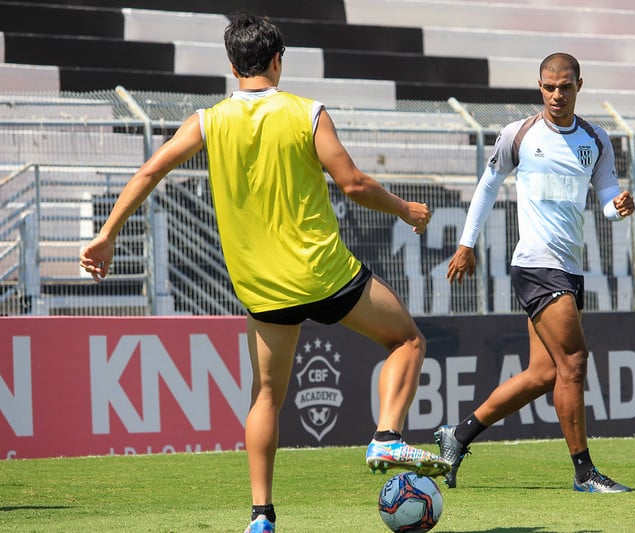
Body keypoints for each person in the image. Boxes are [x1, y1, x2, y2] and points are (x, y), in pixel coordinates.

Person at [79, 11, 449, 533]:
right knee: (407, 341)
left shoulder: (208, 121)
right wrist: (406, 210)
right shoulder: (306, 112)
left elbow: (150, 170)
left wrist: (108, 233)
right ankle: (387, 435)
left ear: (233, 66)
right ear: (278, 60)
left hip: (263, 286)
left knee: (267, 396)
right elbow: (354, 184)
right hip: (324, 274)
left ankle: (261, 516)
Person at [436, 52, 634, 493]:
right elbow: (487, 186)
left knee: (545, 374)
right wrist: (467, 245)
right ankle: (584, 473)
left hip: (569, 267)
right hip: (536, 264)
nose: (556, 95)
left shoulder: (596, 139)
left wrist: (618, 208)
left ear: (579, 84)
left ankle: (458, 434)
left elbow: (605, 197)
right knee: (575, 361)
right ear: (539, 86)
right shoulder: (519, 134)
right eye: (548, 87)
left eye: (565, 86)